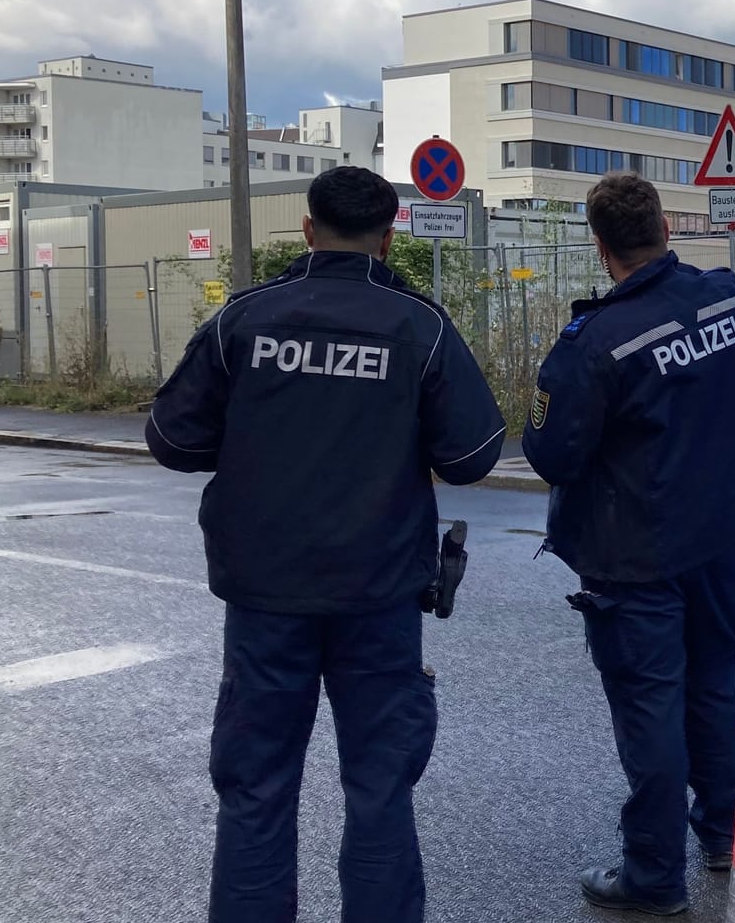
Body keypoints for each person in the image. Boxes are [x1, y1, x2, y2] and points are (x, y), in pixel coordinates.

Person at [146, 166, 507, 922]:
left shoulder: (243, 321)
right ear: (387, 238)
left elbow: (172, 439)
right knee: (379, 788)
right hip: (379, 595)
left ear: (308, 230)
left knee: (256, 787)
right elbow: (473, 456)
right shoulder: (421, 327)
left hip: (265, 596)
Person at [523, 170, 735, 917]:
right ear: (666, 227)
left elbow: (551, 454)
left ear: (600, 248)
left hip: (637, 556)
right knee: (709, 689)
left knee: (649, 708)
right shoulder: (728, 295)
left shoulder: (594, 344)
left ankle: (654, 876)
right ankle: (724, 835)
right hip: (719, 539)